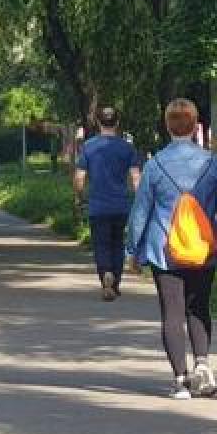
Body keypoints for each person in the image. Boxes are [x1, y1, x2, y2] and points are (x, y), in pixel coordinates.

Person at [127, 99, 217, 400]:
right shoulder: (212, 163)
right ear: (195, 126)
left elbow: (141, 211)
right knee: (199, 307)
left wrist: (133, 250)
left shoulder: (154, 165)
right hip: (202, 248)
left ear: (168, 126)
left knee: (172, 312)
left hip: (164, 248)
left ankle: (180, 380)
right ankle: (203, 365)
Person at [74, 106, 141, 301]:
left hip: (98, 205)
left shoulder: (88, 146)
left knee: (101, 244)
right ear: (117, 123)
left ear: (98, 122)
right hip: (121, 205)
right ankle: (116, 281)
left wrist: (79, 197)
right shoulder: (127, 148)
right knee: (117, 243)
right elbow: (136, 178)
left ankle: (105, 276)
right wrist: (139, 201)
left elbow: (79, 177)